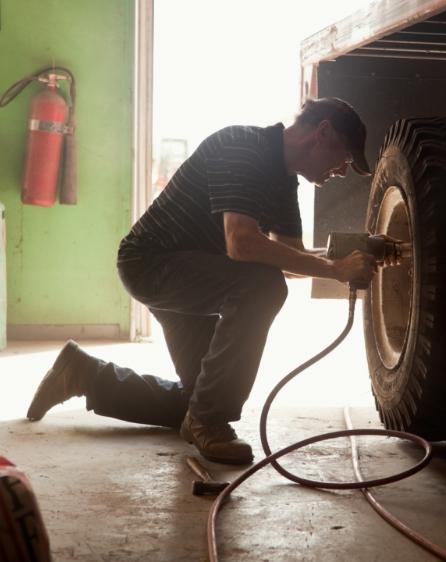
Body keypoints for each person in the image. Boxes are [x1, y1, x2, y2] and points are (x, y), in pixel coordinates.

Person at [25, 97, 377, 465]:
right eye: (346, 159)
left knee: (199, 396)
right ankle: (208, 420)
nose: (342, 171)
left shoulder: (284, 181)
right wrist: (337, 270)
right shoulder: (243, 147)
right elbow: (241, 243)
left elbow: (290, 257)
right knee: (262, 287)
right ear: (322, 133)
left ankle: (83, 374)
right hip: (151, 264)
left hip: (193, 272)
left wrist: (345, 259)